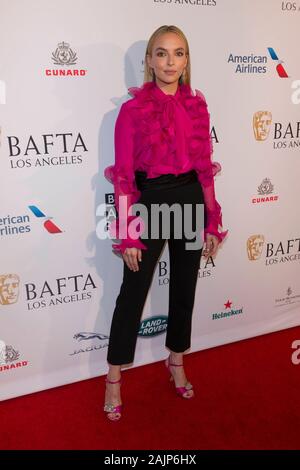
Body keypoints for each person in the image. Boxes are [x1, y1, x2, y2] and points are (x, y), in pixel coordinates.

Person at [103, 25, 228, 421]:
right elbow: (123, 174)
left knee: (185, 287)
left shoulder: (198, 105)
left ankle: (176, 359)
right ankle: (113, 376)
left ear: (187, 60)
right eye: (161, 53)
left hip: (191, 197)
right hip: (151, 202)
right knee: (132, 293)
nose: (169, 62)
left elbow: (205, 169)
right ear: (149, 61)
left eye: (177, 53)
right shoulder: (131, 110)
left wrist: (212, 219)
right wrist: (128, 233)